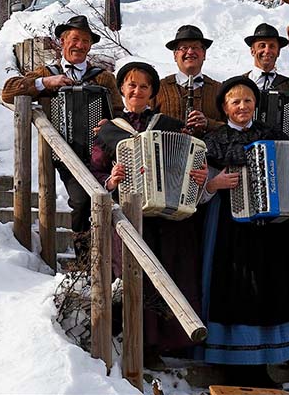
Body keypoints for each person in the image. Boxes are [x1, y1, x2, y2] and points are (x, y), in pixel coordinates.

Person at [198, 76, 289, 387]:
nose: (242, 106)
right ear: (224, 107)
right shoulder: (213, 142)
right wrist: (214, 184)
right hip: (228, 227)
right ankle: (234, 364)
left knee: (269, 288)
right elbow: (196, 189)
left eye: (248, 101)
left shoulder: (274, 136)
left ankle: (264, 363)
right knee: (234, 288)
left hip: (272, 232)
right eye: (235, 101)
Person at [89, 60, 208, 365]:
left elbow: (190, 162)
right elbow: (95, 172)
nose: (137, 90)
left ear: (153, 93)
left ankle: (158, 347)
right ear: (123, 89)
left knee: (166, 273)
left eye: (144, 86)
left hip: (166, 218)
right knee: (133, 276)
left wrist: (197, 175)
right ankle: (133, 341)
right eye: (131, 84)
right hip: (129, 218)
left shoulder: (168, 126)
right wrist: (111, 181)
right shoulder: (108, 129)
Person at [1, 14, 124, 259]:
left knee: (113, 202)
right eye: (75, 39)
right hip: (64, 154)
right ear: (62, 41)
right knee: (80, 201)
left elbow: (119, 113)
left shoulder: (103, 77)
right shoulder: (46, 72)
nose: (80, 45)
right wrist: (45, 82)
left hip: (100, 154)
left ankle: (110, 262)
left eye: (86, 41)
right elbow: (8, 92)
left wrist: (108, 125)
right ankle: (84, 261)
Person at [155, 25, 223, 135]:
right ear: (175, 55)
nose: (190, 52)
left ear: (204, 54)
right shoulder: (158, 88)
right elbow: (146, 123)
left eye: (195, 47)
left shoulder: (220, 89)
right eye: (184, 48)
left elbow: (233, 127)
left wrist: (208, 124)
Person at [241, 22, 289, 139]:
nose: (267, 50)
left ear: (278, 52)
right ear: (252, 51)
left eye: (272, 46)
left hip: (281, 148)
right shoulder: (238, 84)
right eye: (262, 45)